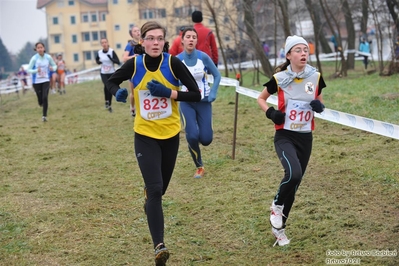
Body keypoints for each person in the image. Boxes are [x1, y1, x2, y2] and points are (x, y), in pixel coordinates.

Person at [106, 21, 201, 265]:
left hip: (170, 136)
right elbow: (111, 81)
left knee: (158, 192)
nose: (155, 43)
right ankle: (159, 246)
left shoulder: (173, 63)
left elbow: (195, 94)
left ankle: (150, 200)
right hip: (145, 135)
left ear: (164, 41)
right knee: (156, 189)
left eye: (160, 39)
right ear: (142, 41)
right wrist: (117, 92)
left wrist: (169, 93)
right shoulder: (134, 64)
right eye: (150, 38)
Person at [257, 35, 326, 247]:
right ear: (288, 55)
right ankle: (276, 206)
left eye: (305, 50)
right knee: (293, 173)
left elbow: (321, 103)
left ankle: (280, 230)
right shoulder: (279, 79)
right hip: (285, 135)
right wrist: (271, 113)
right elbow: (260, 98)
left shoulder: (315, 77)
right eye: (298, 50)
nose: (303, 53)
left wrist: (319, 107)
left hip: (306, 137)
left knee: (294, 185)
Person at [176, 27, 221, 179]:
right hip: (186, 102)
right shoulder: (177, 60)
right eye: (188, 37)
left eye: (194, 37)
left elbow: (217, 75)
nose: (191, 39)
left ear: (196, 40)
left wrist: (213, 92)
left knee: (206, 139)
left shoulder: (203, 57)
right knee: (192, 136)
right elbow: (171, 80)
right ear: (182, 40)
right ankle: (199, 166)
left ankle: (203, 134)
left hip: (204, 101)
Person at [27, 42, 57, 122]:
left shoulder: (48, 57)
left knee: (45, 97)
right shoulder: (34, 58)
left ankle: (44, 116)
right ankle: (40, 102)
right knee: (40, 99)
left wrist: (52, 68)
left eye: (41, 47)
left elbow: (54, 66)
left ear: (44, 48)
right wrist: (36, 70)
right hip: (36, 81)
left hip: (46, 80)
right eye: (38, 48)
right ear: (36, 49)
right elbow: (28, 69)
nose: (40, 49)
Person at [96, 38, 121, 113]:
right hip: (103, 73)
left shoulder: (111, 51)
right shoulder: (99, 52)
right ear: (101, 44)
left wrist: (111, 58)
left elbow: (118, 61)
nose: (104, 44)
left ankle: (109, 103)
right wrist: (99, 62)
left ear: (107, 43)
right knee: (107, 85)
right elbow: (97, 60)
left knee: (109, 87)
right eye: (102, 43)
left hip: (111, 72)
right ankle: (106, 101)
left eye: (105, 42)